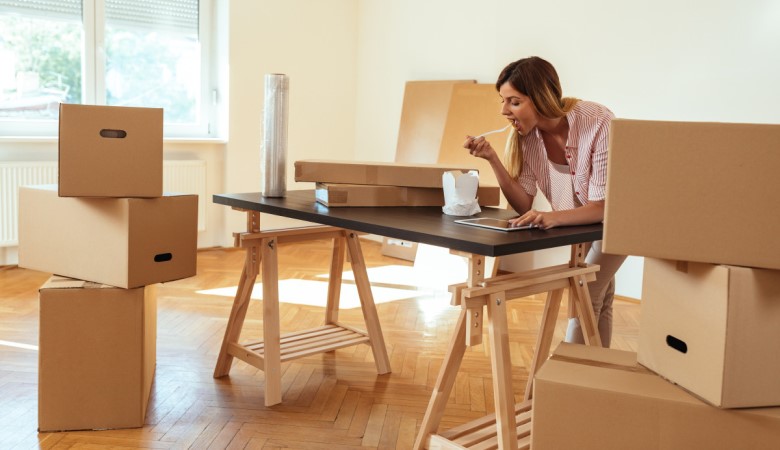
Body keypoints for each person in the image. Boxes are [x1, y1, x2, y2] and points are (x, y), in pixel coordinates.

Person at [463, 56, 626, 347]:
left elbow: (603, 206)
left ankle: (567, 374)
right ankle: (598, 377)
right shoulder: (528, 138)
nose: (504, 110)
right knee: (599, 294)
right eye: (502, 101)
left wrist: (552, 216)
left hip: (622, 219)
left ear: (539, 97)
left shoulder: (598, 121)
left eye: (514, 101)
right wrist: (492, 159)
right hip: (585, 225)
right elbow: (524, 204)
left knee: (585, 293)